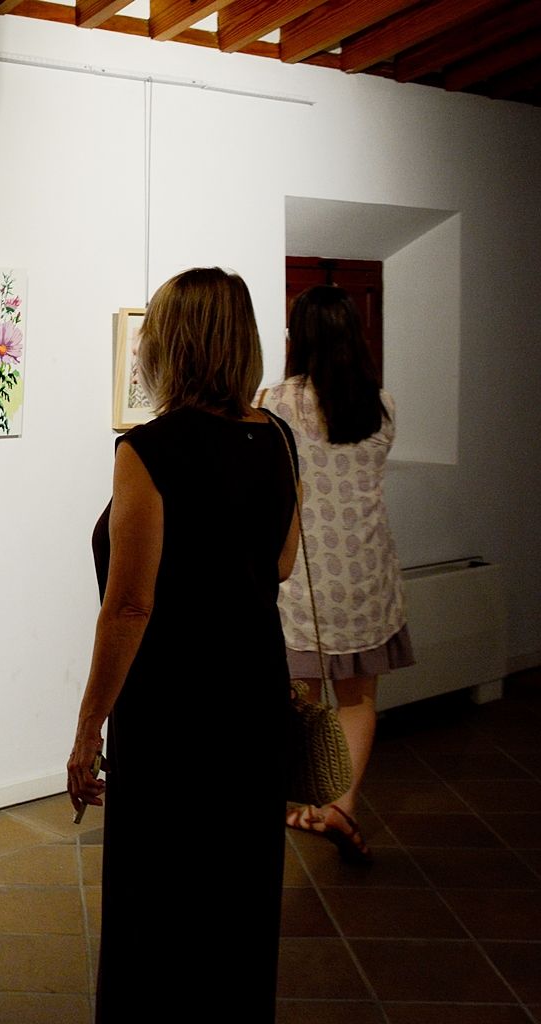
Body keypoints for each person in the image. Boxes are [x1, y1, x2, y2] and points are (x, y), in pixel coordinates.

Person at [68, 268, 300, 1022]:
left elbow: (130, 605)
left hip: (174, 711)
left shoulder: (150, 449)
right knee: (240, 901)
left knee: (161, 904)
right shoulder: (279, 440)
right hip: (254, 699)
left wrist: (87, 728)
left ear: (172, 345)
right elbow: (280, 563)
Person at [259, 286, 414, 864]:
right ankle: (342, 806)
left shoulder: (275, 402)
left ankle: (304, 800)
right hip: (367, 572)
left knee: (302, 698)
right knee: (358, 699)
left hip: (303, 576)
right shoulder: (382, 405)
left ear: (297, 337)